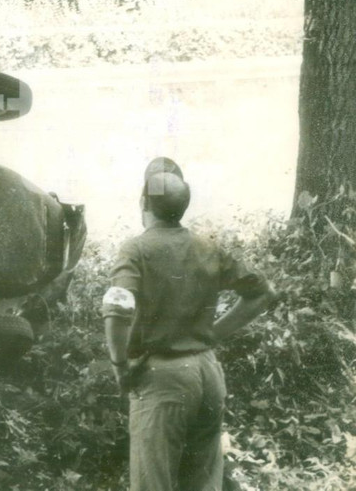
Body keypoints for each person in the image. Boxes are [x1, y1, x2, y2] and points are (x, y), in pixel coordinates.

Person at [102, 157, 276, 491]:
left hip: (162, 378)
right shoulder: (207, 247)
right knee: (202, 482)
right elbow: (263, 293)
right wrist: (213, 335)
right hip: (208, 373)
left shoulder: (136, 249)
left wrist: (120, 365)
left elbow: (117, 307)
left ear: (143, 202)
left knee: (155, 484)